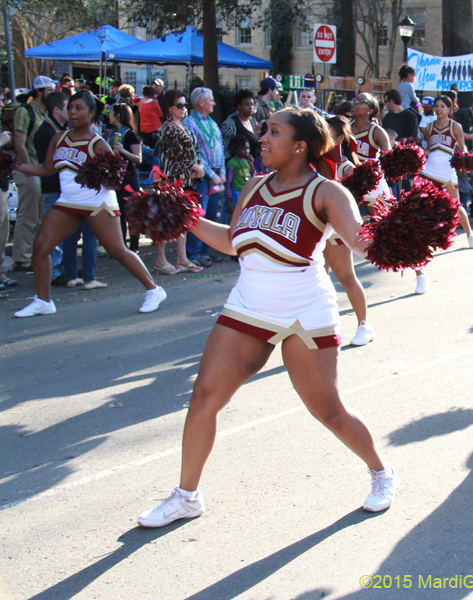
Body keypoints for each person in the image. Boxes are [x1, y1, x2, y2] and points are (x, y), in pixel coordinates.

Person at [136, 107, 398, 528]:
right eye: (264, 130)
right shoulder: (254, 185)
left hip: (303, 309)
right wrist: (187, 216)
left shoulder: (327, 193)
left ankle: (382, 473)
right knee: (204, 396)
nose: (263, 138)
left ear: (300, 146)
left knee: (328, 410)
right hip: (249, 304)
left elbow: (361, 243)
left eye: (274, 132)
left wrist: (399, 235)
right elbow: (232, 241)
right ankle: (186, 497)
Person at [13, 91, 166, 317]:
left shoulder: (98, 143)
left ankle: (154, 290)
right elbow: (47, 169)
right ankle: (44, 301)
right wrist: (15, 165)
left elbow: (114, 181)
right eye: (70, 108)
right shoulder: (59, 138)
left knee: (117, 250)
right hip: (68, 201)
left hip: (97, 203)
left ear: (91, 113)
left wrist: (100, 176)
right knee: (41, 247)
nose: (73, 113)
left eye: (79, 108)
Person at [316, 115, 375, 346]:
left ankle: (364, 325)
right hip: (313, 224)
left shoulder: (345, 165)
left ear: (340, 138)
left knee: (347, 277)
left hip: (335, 227)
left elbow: (359, 195)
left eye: (328, 133)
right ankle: (320, 325)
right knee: (316, 278)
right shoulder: (310, 158)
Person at [154, 89, 205, 275]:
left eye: (185, 105)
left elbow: (194, 151)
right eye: (180, 105)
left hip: (185, 179)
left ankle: (181, 258)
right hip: (171, 179)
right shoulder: (167, 128)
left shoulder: (183, 126)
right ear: (169, 107)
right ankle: (160, 260)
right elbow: (176, 154)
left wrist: (199, 166)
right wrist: (195, 167)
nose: (184, 109)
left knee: (183, 219)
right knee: (166, 218)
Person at [421, 96, 473, 251]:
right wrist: (419, 153)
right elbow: (430, 149)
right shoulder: (429, 127)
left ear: (449, 109)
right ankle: (424, 238)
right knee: (421, 202)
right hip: (430, 169)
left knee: (456, 206)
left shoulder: (455, 126)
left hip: (447, 169)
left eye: (442, 106)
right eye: (436, 106)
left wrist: (464, 158)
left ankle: (470, 234)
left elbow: (463, 148)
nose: (438, 109)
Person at [11, 76, 53, 272]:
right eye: (49, 90)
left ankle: (33, 255)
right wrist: (30, 170)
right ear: (39, 91)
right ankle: (21, 258)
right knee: (28, 215)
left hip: (41, 170)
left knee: (40, 217)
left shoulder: (46, 112)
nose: (52, 93)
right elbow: (19, 144)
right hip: (28, 170)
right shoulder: (24, 111)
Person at [184, 87, 226, 267]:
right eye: (211, 100)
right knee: (198, 216)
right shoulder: (189, 123)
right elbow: (195, 153)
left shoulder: (212, 123)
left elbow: (220, 147)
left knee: (210, 216)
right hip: (201, 177)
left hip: (216, 175)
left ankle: (205, 251)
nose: (214, 103)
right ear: (201, 102)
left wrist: (222, 171)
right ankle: (193, 253)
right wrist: (212, 174)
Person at [33, 91, 69, 285]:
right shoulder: (46, 132)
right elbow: (50, 166)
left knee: (62, 231)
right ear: (56, 110)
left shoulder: (58, 129)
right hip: (52, 188)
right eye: (68, 107)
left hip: (61, 188)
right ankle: (53, 272)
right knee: (52, 231)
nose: (71, 111)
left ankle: (62, 267)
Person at [349, 93, 394, 212]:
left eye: (361, 101)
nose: (356, 102)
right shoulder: (345, 128)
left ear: (370, 110)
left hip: (372, 181)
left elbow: (390, 157)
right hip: (350, 179)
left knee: (386, 217)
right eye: (355, 99)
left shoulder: (377, 131)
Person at [107, 103, 143, 252]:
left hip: (129, 178)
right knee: (118, 213)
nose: (108, 116)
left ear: (118, 115)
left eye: (111, 113)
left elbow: (138, 158)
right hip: (116, 178)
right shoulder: (111, 133)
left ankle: (134, 247)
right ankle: (121, 247)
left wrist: (123, 151)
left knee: (131, 213)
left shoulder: (130, 134)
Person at [220, 89, 262, 172]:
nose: (251, 107)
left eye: (252, 104)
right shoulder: (230, 124)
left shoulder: (253, 121)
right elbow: (224, 149)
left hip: (254, 166)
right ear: (238, 106)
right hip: (239, 170)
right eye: (246, 104)